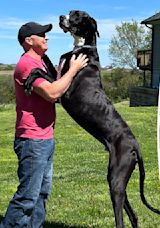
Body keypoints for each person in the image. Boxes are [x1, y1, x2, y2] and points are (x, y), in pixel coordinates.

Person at [0, 22, 88, 228]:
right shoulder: (27, 65)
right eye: (42, 35)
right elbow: (52, 93)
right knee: (28, 197)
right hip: (32, 139)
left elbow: (57, 87)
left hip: (44, 137)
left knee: (41, 193)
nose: (46, 38)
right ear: (29, 41)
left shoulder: (40, 62)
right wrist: (74, 69)